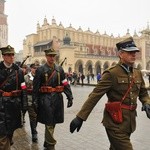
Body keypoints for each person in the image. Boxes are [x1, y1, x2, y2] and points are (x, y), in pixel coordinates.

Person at [70, 37, 150, 150]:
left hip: (129, 122)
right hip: (114, 123)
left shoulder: (137, 73)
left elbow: (143, 92)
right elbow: (94, 96)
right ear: (121, 54)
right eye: (130, 52)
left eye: (135, 52)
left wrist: (147, 102)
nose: (134, 55)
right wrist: (80, 117)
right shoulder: (111, 73)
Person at [32, 38, 73, 150]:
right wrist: (35, 101)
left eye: (53, 56)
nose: (52, 58)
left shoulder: (59, 69)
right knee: (49, 122)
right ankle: (51, 145)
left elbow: (65, 83)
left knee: (53, 122)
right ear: (46, 56)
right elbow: (35, 88)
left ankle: (46, 141)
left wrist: (70, 96)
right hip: (45, 99)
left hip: (57, 99)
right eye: (50, 56)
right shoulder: (40, 70)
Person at [0, 45, 27, 150]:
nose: (12, 57)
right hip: (1, 105)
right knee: (2, 134)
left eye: (13, 55)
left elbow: (23, 88)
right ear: (3, 56)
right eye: (9, 55)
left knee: (10, 132)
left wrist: (24, 105)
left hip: (13, 105)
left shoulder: (19, 71)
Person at [24, 63, 39, 142]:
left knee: (36, 117)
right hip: (29, 100)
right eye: (34, 68)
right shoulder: (26, 77)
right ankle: (34, 133)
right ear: (31, 69)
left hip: (38, 101)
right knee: (33, 117)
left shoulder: (40, 77)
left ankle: (34, 129)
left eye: (36, 68)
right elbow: (23, 89)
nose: (35, 69)